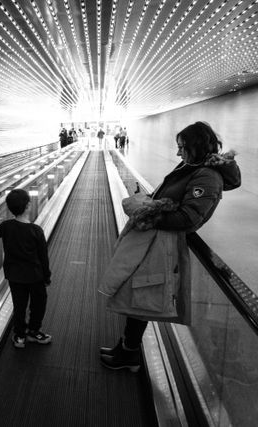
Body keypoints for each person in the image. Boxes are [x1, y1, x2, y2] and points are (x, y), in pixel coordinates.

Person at [98, 121, 241, 372]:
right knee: (137, 295)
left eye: (182, 147)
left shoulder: (207, 176)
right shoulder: (193, 166)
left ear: (197, 146)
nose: (178, 153)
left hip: (163, 245)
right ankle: (126, 349)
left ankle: (129, 355)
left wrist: (147, 213)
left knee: (141, 295)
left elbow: (190, 219)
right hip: (155, 241)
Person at [0, 189, 52, 349]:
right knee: (39, 304)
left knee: (19, 306)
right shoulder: (36, 230)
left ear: (10, 208)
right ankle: (34, 331)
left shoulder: (6, 226)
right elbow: (43, 257)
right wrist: (46, 276)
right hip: (35, 276)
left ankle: (19, 335)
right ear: (28, 206)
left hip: (15, 276)